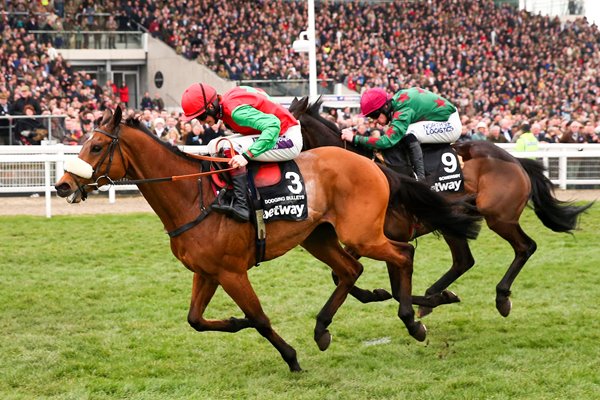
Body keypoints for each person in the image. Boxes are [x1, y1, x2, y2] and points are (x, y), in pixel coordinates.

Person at [180, 83, 303, 221]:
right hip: (278, 131)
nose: (201, 123)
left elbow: (273, 125)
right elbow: (259, 92)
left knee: (228, 146)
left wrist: (247, 155)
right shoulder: (228, 100)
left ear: (210, 107)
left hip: (287, 137)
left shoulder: (235, 111)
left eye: (200, 117)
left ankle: (242, 205)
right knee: (213, 145)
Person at [341, 87, 462, 181]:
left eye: (374, 116)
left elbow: (387, 141)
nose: (375, 121)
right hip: (441, 118)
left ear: (385, 107)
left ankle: (420, 180)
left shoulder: (403, 111)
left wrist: (355, 138)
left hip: (450, 124)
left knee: (409, 132)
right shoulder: (396, 102)